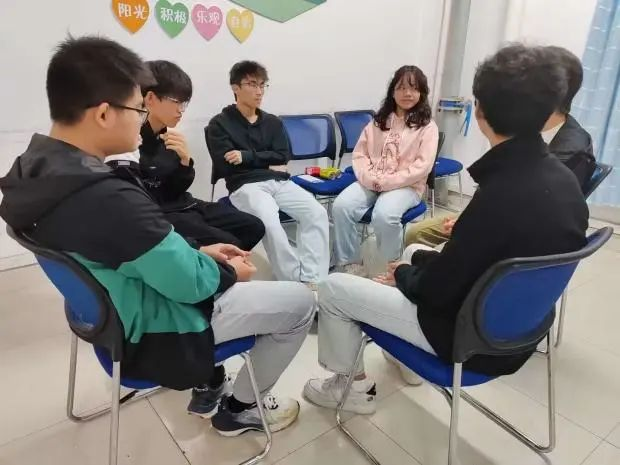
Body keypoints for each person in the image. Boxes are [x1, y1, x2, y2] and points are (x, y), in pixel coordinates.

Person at [0, 36, 314, 436]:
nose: (142, 116)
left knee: (220, 240)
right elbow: (190, 283)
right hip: (155, 328)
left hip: (106, 313)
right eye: (137, 108)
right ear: (103, 114)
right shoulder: (107, 196)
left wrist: (198, 249)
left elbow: (142, 247)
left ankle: (216, 380)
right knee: (301, 303)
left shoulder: (34, 170)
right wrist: (229, 271)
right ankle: (240, 409)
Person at [302, 44, 589, 414]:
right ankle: (403, 361)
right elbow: (472, 261)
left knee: (333, 288)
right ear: (549, 111)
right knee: (410, 250)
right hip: (520, 329)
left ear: (480, 112)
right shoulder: (564, 182)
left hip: (466, 337)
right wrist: (413, 262)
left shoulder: (498, 194)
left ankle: (350, 387)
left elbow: (438, 290)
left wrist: (402, 274)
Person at [404, 45, 596, 250]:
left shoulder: (569, 152)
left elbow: (527, 211)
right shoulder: (531, 134)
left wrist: (470, 225)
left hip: (514, 234)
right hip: (504, 219)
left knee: (415, 243)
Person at [105, 60, 265, 251]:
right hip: (161, 213)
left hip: (184, 204)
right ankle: (217, 263)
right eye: (176, 102)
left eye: (185, 103)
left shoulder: (169, 138)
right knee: (228, 242)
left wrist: (185, 163)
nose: (181, 110)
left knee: (254, 226)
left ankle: (224, 263)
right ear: (150, 99)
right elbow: (135, 202)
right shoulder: (128, 142)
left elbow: (176, 189)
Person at [207, 61, 329, 286]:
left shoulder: (272, 122)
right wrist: (267, 161)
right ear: (235, 87)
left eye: (262, 85)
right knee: (270, 223)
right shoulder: (219, 124)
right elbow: (226, 165)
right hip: (245, 185)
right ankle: (293, 282)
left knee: (317, 213)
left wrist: (246, 157)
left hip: (279, 182)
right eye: (252, 84)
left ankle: (314, 279)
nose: (259, 91)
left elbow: (283, 155)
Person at [331, 66, 438, 276]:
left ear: (421, 93)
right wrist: (370, 178)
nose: (408, 93)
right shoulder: (378, 122)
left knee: (384, 215)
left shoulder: (427, 127)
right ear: (392, 91)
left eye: (414, 88)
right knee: (341, 206)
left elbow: (423, 166)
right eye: (402, 88)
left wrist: (388, 182)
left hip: (406, 186)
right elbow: (360, 155)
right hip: (372, 181)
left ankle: (394, 269)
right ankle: (351, 264)